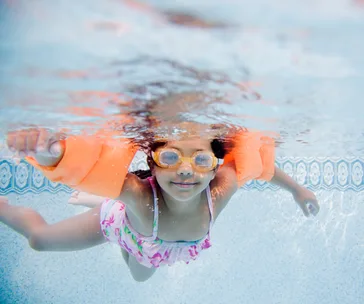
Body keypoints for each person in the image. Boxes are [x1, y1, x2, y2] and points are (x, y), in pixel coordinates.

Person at [0, 124, 319, 282]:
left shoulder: (221, 190)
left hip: (148, 245)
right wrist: (47, 150)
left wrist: (297, 190)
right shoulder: (141, 195)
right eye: (170, 157)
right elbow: (84, 169)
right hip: (121, 220)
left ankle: (108, 207)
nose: (185, 169)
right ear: (152, 166)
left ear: (213, 169)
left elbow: (260, 169)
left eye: (200, 159)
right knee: (39, 240)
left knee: (138, 277)